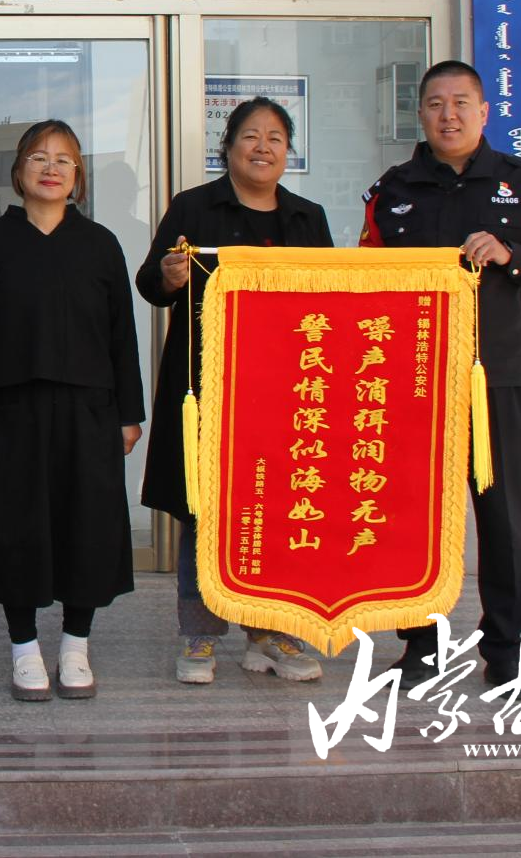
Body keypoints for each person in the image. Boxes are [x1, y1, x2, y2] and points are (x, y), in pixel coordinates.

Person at [361, 60, 521, 695]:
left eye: (461, 102)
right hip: (413, 385)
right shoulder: (392, 191)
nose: (449, 115)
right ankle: (421, 646)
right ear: (421, 114)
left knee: (503, 520)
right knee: (414, 517)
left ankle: (507, 650)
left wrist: (511, 255)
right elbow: (367, 276)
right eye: (436, 104)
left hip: (496, 384)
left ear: (484, 112)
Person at [136, 98, 333, 686]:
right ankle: (200, 634)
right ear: (228, 147)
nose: (262, 147)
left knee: (276, 508)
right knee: (204, 510)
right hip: (206, 388)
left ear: (288, 152)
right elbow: (150, 281)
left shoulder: (308, 218)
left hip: (284, 392)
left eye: (275, 138)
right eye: (250, 136)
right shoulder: (193, 207)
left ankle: (270, 632)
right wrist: (169, 274)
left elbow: (331, 298)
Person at [0, 119, 145, 701]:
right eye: (38, 157)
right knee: (17, 526)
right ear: (19, 172)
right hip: (14, 411)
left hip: (90, 410)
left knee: (87, 524)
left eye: (64, 159)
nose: (51, 167)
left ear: (78, 175)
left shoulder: (100, 244)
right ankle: (23, 647)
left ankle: (76, 645)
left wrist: (129, 413)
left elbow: (122, 336)